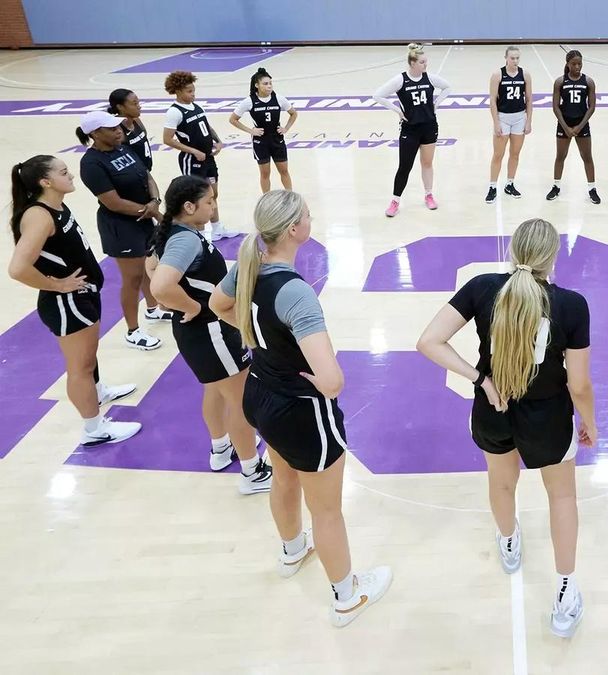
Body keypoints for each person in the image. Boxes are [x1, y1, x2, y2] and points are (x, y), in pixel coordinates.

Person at [210, 190, 391, 627]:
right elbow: (332, 381)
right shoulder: (296, 293)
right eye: (308, 214)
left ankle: (293, 551)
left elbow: (218, 306)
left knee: (285, 477)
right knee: (326, 509)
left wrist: (262, 334)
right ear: (294, 229)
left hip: (260, 393)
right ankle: (347, 597)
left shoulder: (249, 263)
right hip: (300, 410)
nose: (312, 217)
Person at [417, 218, 595, 638]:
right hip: (549, 417)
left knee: (501, 484)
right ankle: (566, 591)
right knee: (563, 496)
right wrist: (589, 421)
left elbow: (428, 341)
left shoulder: (482, 287)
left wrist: (479, 378)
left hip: (493, 408)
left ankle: (509, 540)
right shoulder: (571, 304)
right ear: (552, 259)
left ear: (513, 252)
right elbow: (580, 384)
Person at [146, 175, 272, 494]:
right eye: (209, 202)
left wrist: (186, 307)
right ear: (189, 207)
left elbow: (150, 266)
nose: (214, 207)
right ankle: (252, 471)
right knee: (241, 401)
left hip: (198, 334)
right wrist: (191, 306)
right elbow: (159, 286)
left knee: (214, 390)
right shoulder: (186, 240)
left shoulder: (174, 233)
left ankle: (220, 449)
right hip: (210, 330)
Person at [8, 155, 141, 446]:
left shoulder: (56, 205)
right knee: (79, 367)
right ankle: (94, 429)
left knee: (88, 358)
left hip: (83, 295)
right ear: (45, 182)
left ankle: (99, 392)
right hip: (67, 303)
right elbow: (17, 268)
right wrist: (56, 284)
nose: (71, 176)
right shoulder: (39, 216)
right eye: (64, 172)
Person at [75, 110, 168, 351]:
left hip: (143, 218)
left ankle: (152, 309)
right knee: (132, 278)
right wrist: (152, 211)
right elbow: (112, 202)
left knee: (149, 267)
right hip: (120, 227)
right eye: (112, 128)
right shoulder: (91, 163)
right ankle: (132, 331)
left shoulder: (123, 148)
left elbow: (146, 176)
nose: (119, 131)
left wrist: (155, 200)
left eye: (118, 127)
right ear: (95, 133)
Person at [373, 43, 451, 218]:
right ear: (412, 63)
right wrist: (397, 110)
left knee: (427, 163)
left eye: (426, 62)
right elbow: (377, 95)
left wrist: (436, 104)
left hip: (429, 127)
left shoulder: (429, 78)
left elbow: (448, 87)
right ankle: (395, 201)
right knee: (404, 166)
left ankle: (428, 195)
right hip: (410, 129)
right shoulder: (401, 80)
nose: (425, 65)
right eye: (422, 62)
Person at [162, 70, 232, 240]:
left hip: (208, 158)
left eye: (193, 90)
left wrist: (218, 141)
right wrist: (194, 151)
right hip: (191, 159)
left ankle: (216, 228)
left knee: (212, 193)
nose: (193, 94)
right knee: (196, 198)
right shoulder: (174, 112)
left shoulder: (195, 106)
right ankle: (198, 233)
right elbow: (167, 139)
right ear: (178, 91)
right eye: (189, 91)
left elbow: (207, 126)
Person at [228, 68, 298, 193]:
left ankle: (290, 196)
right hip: (260, 142)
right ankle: (266, 198)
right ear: (257, 85)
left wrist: (286, 128)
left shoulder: (279, 99)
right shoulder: (249, 101)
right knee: (265, 173)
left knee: (284, 171)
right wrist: (250, 131)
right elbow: (233, 119)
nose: (269, 86)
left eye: (270, 83)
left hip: (277, 139)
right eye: (265, 84)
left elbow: (293, 114)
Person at [547, 49, 599, 204]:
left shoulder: (588, 82)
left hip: (582, 124)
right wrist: (566, 127)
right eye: (574, 64)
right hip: (564, 124)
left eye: (579, 64)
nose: (577, 66)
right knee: (560, 156)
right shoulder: (560, 82)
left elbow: (591, 107)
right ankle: (556, 186)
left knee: (587, 157)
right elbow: (555, 107)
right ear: (567, 64)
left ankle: (592, 189)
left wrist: (579, 126)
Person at [486, 46, 533, 203]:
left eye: (517, 58)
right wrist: (496, 122)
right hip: (503, 117)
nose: (515, 61)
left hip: (519, 118)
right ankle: (492, 186)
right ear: (506, 58)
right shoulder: (497, 75)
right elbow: (492, 100)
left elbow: (529, 100)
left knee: (515, 153)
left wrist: (529, 121)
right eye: (512, 58)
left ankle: (510, 184)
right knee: (498, 154)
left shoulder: (525, 74)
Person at [108, 88, 153, 170]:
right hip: (133, 175)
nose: (139, 107)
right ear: (120, 107)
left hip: (145, 171)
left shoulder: (136, 119)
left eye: (138, 103)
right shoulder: (117, 129)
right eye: (135, 104)